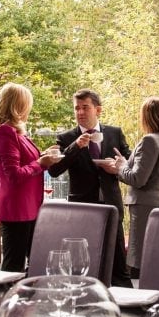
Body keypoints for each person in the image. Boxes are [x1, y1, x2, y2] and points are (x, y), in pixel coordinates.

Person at [47, 89, 133, 286]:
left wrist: (118, 167)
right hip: (82, 208)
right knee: (82, 265)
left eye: (85, 107)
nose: (80, 112)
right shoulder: (66, 137)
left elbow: (128, 163)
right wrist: (75, 146)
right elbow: (54, 170)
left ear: (98, 109)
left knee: (119, 266)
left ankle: (128, 312)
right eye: (76, 108)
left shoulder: (114, 133)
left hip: (111, 206)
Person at [98, 97, 159, 277]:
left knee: (146, 259)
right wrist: (124, 164)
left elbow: (137, 179)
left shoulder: (150, 141)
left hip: (147, 207)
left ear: (146, 117)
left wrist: (119, 167)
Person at [0, 83, 60, 273]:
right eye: (27, 104)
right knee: (13, 266)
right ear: (17, 106)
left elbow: (26, 163)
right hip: (16, 209)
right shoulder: (5, 132)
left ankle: (26, 301)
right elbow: (13, 175)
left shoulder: (19, 133)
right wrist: (41, 163)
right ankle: (6, 301)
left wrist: (43, 156)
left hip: (29, 207)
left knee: (35, 262)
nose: (29, 109)